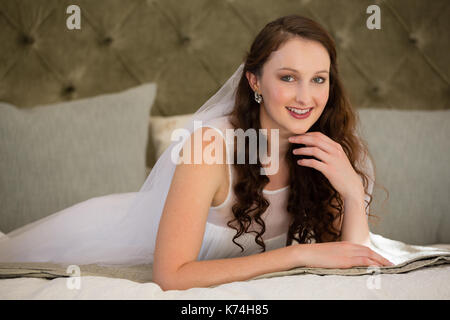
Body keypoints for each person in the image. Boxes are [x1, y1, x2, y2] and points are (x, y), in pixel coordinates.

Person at [0, 15, 393, 290]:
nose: (306, 97)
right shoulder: (210, 147)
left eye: (318, 79)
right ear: (255, 80)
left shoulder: (330, 149)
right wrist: (296, 257)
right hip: (103, 234)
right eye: (288, 78)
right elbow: (170, 276)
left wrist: (352, 193)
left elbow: (351, 258)